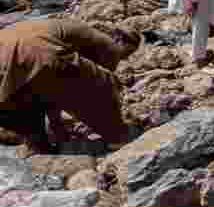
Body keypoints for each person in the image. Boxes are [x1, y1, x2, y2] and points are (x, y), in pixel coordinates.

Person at [0, 19, 141, 153]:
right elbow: (92, 85)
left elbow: (51, 83)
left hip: (6, 54)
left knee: (25, 105)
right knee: (105, 82)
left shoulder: (72, 30)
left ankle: (40, 149)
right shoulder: (110, 45)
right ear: (119, 40)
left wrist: (57, 125)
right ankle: (119, 140)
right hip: (38, 51)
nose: (124, 58)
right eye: (128, 53)